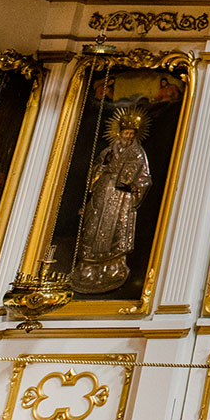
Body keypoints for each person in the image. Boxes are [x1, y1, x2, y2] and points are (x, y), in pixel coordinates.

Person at [73, 108, 152, 294]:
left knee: (117, 230)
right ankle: (86, 270)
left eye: (131, 133)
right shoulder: (109, 150)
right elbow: (96, 170)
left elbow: (145, 178)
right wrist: (102, 167)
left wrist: (133, 186)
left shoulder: (137, 153)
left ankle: (113, 269)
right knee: (92, 228)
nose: (128, 136)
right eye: (126, 133)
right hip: (103, 192)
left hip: (122, 197)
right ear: (120, 133)